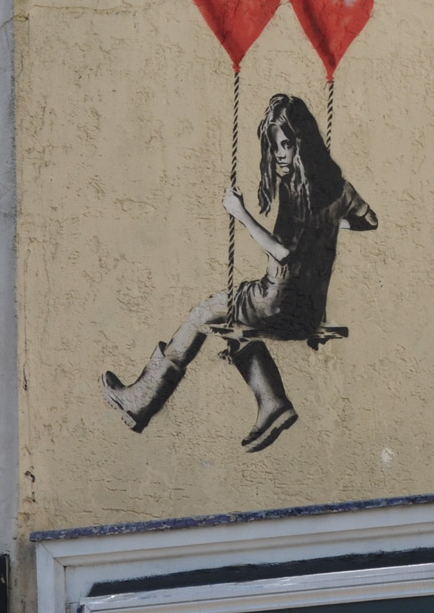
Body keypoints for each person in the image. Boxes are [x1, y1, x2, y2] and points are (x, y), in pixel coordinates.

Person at [101, 94, 377, 452]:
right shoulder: (342, 189)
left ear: (303, 142)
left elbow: (283, 253)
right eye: (274, 146)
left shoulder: (297, 189)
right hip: (309, 312)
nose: (279, 154)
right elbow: (369, 221)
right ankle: (272, 403)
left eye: (286, 144)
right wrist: (327, 229)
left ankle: (141, 399)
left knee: (204, 313)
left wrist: (240, 213)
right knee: (231, 325)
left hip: (276, 301)